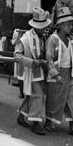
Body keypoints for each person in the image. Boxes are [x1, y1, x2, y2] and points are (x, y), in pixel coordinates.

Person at [44, 7, 73, 138]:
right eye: (68, 24)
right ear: (60, 25)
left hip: (70, 73)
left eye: (71, 23)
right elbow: (49, 58)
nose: (70, 26)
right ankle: (49, 122)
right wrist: (55, 74)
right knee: (55, 99)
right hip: (58, 72)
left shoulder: (70, 39)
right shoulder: (53, 39)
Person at [14, 7, 51, 135]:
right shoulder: (25, 38)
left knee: (32, 96)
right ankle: (35, 123)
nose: (44, 29)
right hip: (31, 71)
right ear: (36, 26)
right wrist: (32, 62)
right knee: (38, 96)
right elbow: (17, 56)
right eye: (42, 27)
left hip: (41, 70)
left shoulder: (44, 36)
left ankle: (21, 116)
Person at [11, 27, 26, 98]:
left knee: (22, 75)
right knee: (20, 74)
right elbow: (14, 42)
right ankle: (21, 92)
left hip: (24, 54)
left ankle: (23, 92)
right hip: (19, 53)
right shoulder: (17, 31)